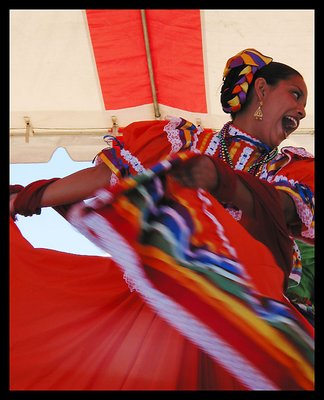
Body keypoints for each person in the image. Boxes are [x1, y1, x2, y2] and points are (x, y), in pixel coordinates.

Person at [10, 48, 314, 390]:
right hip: (166, 310)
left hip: (243, 321)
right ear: (261, 90)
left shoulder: (293, 169)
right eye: (296, 94)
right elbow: (102, 178)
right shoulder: (183, 141)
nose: (302, 110)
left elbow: (287, 209)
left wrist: (225, 182)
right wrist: (25, 199)